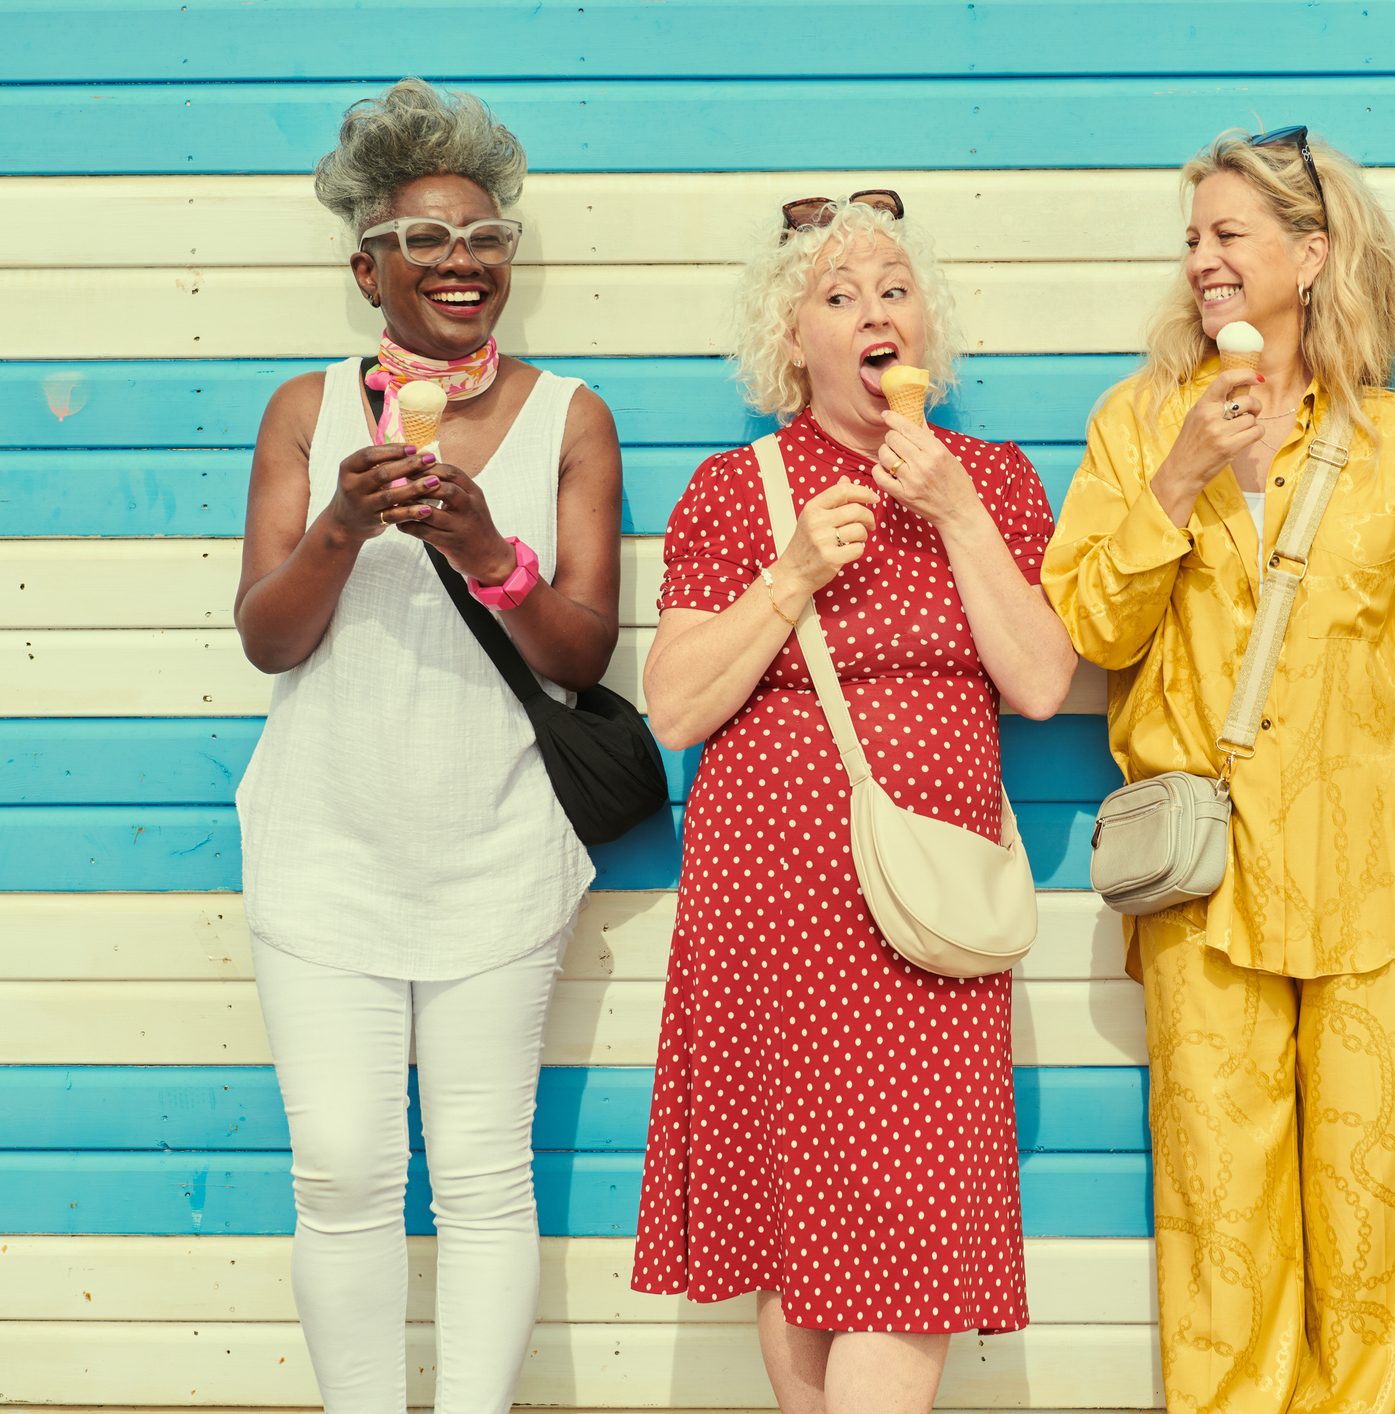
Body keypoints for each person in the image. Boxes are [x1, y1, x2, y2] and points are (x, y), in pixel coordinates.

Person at [1042, 129, 1395, 1413]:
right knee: (1221, 1225)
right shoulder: (1137, 421)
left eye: (1228, 235)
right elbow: (1091, 626)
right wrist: (1179, 476)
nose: (1201, 259)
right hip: (1204, 884)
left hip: (1376, 874)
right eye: (1192, 237)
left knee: (1375, 1211)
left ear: (1310, 256)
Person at [629, 191, 1078, 1414]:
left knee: (909, 1244)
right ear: (792, 344)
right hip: (773, 917)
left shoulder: (989, 477)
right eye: (839, 296)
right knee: (797, 1232)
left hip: (925, 919)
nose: (875, 310)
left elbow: (1041, 683)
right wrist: (793, 575)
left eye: (894, 287)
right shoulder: (737, 492)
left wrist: (955, 514)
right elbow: (671, 709)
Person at [231, 78, 624, 1412]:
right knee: (339, 1166)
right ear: (367, 268)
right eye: (430, 240)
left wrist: (478, 546)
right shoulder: (305, 412)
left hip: (498, 845)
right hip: (324, 846)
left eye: (486, 235)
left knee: (480, 1171)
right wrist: (341, 527)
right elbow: (269, 639)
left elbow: (579, 655)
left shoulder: (571, 414)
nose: (465, 260)